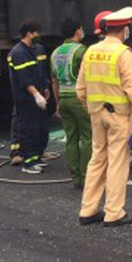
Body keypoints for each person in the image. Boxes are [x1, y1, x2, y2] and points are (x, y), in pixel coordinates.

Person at [76, 7, 132, 227]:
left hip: (96, 113)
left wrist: (90, 106)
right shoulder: (123, 53)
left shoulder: (90, 51)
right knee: (117, 161)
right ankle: (114, 212)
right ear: (124, 30)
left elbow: (81, 88)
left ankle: (88, 210)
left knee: (97, 158)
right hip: (118, 115)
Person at [51, 18, 91, 189]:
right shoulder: (81, 51)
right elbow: (89, 77)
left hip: (63, 98)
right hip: (79, 99)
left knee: (71, 138)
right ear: (77, 31)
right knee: (88, 137)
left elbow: (54, 81)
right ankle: (86, 175)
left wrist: (57, 103)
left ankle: (75, 176)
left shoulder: (55, 53)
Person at [8, 20, 51, 174]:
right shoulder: (18, 53)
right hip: (25, 99)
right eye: (36, 33)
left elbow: (42, 71)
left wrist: (45, 88)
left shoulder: (37, 49)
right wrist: (36, 94)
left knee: (41, 128)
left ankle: (37, 156)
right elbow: (24, 78)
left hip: (39, 94)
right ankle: (28, 162)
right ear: (28, 34)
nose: (38, 35)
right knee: (28, 129)